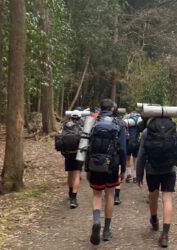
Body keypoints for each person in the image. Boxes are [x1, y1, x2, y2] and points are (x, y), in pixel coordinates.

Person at [85, 99, 127, 245]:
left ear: (100, 108)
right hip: (112, 165)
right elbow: (122, 149)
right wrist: (123, 168)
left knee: (97, 195)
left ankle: (97, 221)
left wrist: (87, 167)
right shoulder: (119, 123)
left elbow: (85, 146)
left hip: (95, 163)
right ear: (113, 108)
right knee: (109, 195)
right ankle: (107, 230)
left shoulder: (92, 121)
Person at [136, 116, 177, 248]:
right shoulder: (174, 130)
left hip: (152, 169)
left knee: (153, 196)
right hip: (169, 169)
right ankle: (165, 235)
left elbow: (142, 154)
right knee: (167, 199)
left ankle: (154, 220)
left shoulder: (147, 132)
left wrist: (139, 174)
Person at [55, 107, 84, 209]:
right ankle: (74, 198)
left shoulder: (65, 126)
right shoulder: (81, 126)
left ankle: (70, 192)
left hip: (67, 154)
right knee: (77, 174)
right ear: (80, 117)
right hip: (78, 153)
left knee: (70, 174)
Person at [124, 111, 142, 183]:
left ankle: (128, 175)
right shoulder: (139, 121)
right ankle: (135, 176)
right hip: (137, 143)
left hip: (128, 142)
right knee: (135, 159)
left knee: (128, 159)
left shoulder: (128, 120)